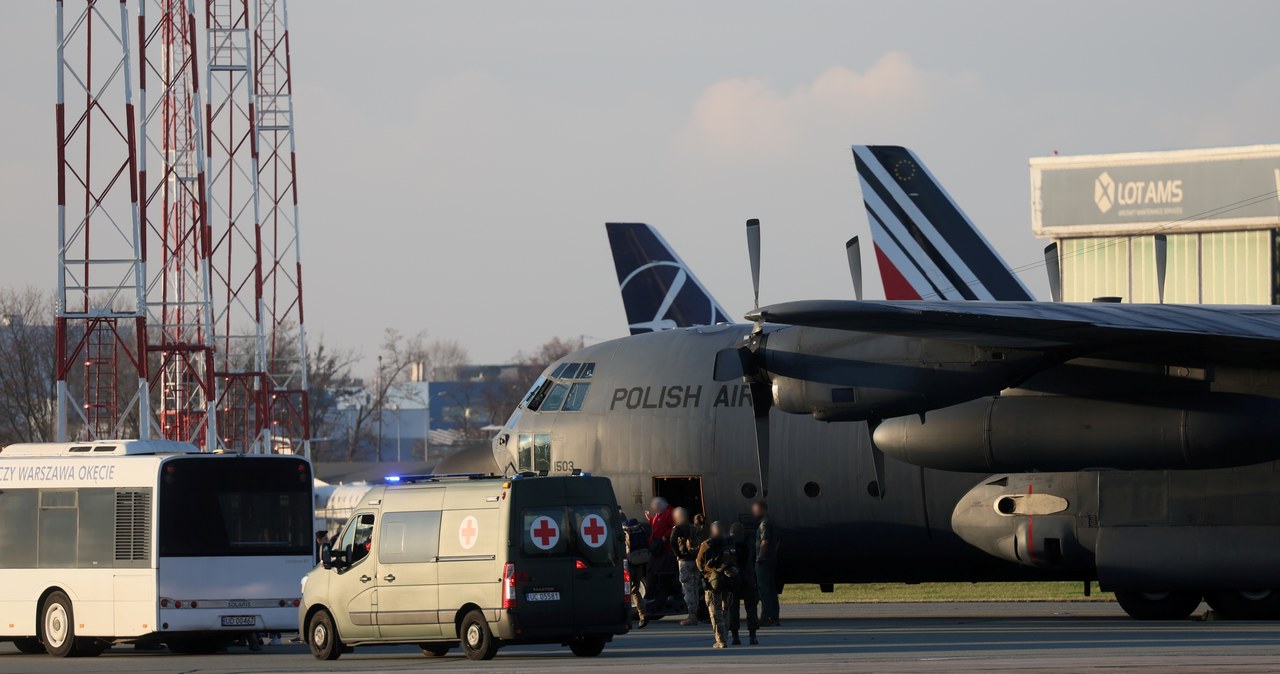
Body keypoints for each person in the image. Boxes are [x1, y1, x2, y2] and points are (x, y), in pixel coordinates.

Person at [696, 521, 736, 649]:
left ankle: (720, 640)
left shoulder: (706, 545)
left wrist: (706, 574)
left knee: (715, 611)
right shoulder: (730, 543)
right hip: (728, 581)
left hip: (713, 582)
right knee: (726, 610)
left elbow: (699, 562)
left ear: (712, 531)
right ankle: (725, 636)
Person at [727, 522, 759, 645]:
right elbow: (754, 557)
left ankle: (735, 636)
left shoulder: (729, 541)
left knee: (733, 608)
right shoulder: (750, 541)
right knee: (751, 607)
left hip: (734, 578)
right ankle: (753, 636)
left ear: (732, 531)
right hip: (748, 577)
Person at [670, 507, 702, 626]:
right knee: (695, 587)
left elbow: (672, 541)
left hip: (685, 561)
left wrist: (678, 555)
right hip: (695, 559)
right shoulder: (693, 527)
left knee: (687, 587)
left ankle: (692, 616)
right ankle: (696, 613)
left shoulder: (678, 528)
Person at [753, 500, 781, 626]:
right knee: (772, 589)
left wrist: (760, 556)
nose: (754, 512)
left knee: (764, 590)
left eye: (756, 510)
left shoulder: (764, 524)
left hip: (764, 562)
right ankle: (774, 617)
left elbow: (765, 541)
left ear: (764, 509)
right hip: (772, 559)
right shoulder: (772, 522)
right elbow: (777, 542)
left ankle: (765, 617)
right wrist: (772, 554)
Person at [622, 516, 651, 628]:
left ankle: (626, 620)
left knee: (625, 592)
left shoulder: (624, 531)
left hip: (629, 564)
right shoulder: (639, 529)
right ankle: (643, 615)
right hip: (640, 562)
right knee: (635, 590)